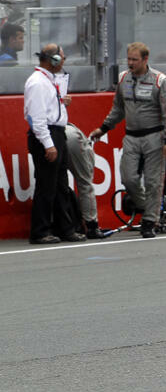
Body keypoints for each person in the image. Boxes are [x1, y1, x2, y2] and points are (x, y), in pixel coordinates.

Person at [90, 42, 166, 238]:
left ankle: (149, 221)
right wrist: (103, 128)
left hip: (154, 136)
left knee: (154, 181)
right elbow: (118, 109)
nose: (130, 63)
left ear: (145, 59)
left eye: (134, 60)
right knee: (128, 178)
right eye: (128, 59)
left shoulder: (160, 81)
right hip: (131, 136)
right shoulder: (123, 79)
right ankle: (147, 207)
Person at [24, 44, 83, 244]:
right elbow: (36, 119)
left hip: (56, 133)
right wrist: (48, 144)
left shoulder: (49, 81)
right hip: (47, 136)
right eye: (62, 58)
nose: (64, 61)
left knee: (60, 185)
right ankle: (40, 231)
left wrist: (61, 103)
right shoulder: (38, 83)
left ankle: (65, 228)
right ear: (54, 60)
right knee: (46, 186)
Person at [65, 123, 109, 240]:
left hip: (48, 133)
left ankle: (59, 227)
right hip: (67, 133)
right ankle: (92, 226)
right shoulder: (86, 149)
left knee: (54, 184)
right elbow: (86, 181)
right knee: (85, 183)